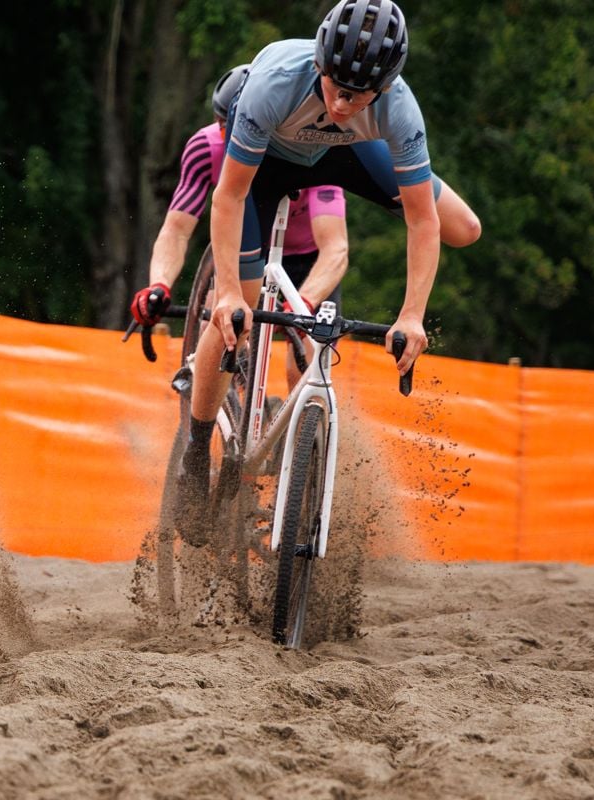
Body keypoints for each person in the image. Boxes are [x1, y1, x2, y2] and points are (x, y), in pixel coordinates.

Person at [179, 0, 481, 507]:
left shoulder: (399, 107)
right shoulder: (274, 83)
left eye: (360, 94)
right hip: (268, 164)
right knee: (233, 313)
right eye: (336, 86)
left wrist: (411, 316)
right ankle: (194, 450)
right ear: (320, 63)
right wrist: (228, 289)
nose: (342, 104)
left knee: (464, 227)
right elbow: (228, 195)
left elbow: (422, 220)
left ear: (383, 88)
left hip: (343, 156)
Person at [130, 65, 351, 511]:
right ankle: (201, 442)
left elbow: (336, 251)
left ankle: (297, 480)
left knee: (303, 355)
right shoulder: (206, 147)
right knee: (224, 315)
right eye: (228, 128)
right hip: (241, 254)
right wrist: (158, 285)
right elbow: (177, 229)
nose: (238, 141)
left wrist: (301, 307)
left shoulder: (314, 151)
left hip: (304, 261)